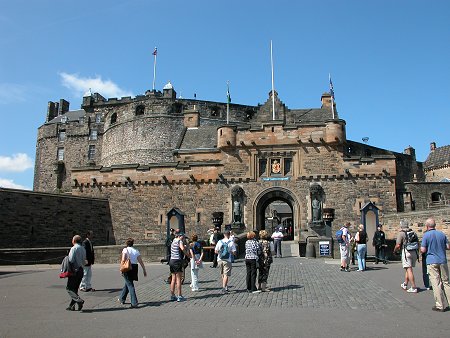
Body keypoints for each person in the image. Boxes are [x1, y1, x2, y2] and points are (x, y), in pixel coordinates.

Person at [420, 218, 450, 312]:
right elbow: (448, 247)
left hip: (432, 260)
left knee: (436, 283)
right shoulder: (441, 234)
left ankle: (440, 305)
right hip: (442, 260)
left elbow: (423, 250)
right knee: (446, 282)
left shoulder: (426, 235)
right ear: (435, 225)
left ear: (427, 226)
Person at [118, 238, 147, 308]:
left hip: (128, 267)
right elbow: (140, 261)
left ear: (126, 243)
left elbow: (123, 260)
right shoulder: (136, 251)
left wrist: (121, 269)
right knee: (128, 283)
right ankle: (122, 298)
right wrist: (144, 269)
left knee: (130, 285)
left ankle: (134, 302)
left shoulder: (125, 250)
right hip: (134, 268)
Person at [393, 221, 418, 293]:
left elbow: (398, 245)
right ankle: (405, 284)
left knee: (409, 269)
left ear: (401, 226)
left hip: (406, 252)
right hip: (414, 252)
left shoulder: (401, 233)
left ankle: (413, 287)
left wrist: (394, 251)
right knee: (408, 268)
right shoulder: (413, 232)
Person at [66, 235, 86, 311]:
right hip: (81, 270)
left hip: (74, 270)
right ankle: (72, 306)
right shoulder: (83, 248)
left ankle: (79, 300)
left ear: (74, 241)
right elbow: (84, 261)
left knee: (69, 288)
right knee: (75, 289)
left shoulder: (74, 248)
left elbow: (71, 260)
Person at [169, 231, 190, 302]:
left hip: (171, 260)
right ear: (180, 236)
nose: (184, 239)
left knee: (173, 279)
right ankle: (179, 296)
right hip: (177, 261)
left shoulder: (174, 241)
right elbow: (182, 248)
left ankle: (172, 295)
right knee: (178, 279)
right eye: (183, 237)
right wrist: (187, 254)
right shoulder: (179, 241)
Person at [214, 229, 237, 294]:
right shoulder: (231, 242)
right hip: (227, 260)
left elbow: (215, 251)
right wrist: (231, 252)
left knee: (222, 274)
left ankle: (225, 286)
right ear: (229, 235)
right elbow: (234, 252)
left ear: (224, 234)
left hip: (220, 259)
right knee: (226, 274)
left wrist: (220, 252)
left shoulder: (219, 242)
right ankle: (224, 288)